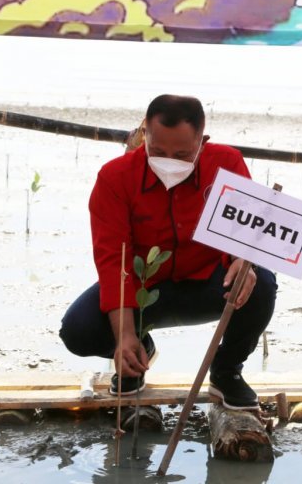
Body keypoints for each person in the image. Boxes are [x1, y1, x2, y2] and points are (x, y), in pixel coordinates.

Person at [60, 95, 277, 410]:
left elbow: (244, 234)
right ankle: (138, 354)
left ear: (202, 142)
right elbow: (112, 261)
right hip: (143, 287)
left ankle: (226, 372)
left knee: (262, 284)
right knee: (78, 331)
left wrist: (244, 261)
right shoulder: (115, 177)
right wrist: (123, 335)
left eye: (183, 154)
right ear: (143, 134)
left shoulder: (227, 163)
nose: (170, 161)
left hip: (208, 282)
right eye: (158, 152)